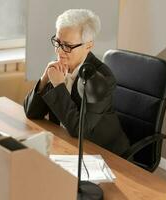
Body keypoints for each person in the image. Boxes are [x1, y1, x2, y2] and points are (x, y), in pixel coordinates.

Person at [24, 9, 130, 155]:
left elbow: (78, 130)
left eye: (67, 46)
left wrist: (59, 86)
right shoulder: (59, 67)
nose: (59, 52)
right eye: (57, 42)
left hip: (103, 153)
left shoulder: (103, 78)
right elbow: (32, 113)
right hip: (65, 144)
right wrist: (44, 79)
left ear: (88, 45)